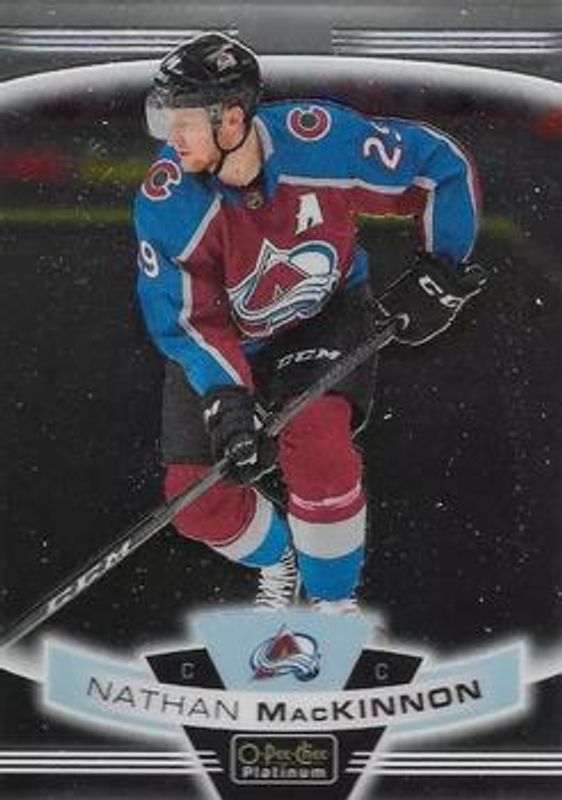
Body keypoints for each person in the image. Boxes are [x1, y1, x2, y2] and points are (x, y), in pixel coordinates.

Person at [134, 32, 485, 613]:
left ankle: (333, 604)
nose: (172, 139)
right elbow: (187, 319)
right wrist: (227, 396)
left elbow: (439, 166)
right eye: (165, 120)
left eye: (185, 123)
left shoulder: (322, 142)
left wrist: (441, 266)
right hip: (224, 343)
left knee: (318, 447)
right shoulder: (168, 203)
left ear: (232, 119)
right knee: (196, 504)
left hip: (324, 316)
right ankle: (279, 561)